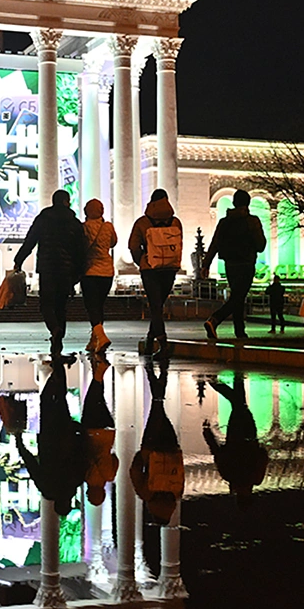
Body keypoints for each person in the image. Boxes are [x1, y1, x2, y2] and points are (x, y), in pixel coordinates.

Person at [14, 189, 87, 355]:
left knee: (46, 304)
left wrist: (19, 260)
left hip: (47, 269)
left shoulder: (43, 219)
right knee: (61, 306)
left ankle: (54, 329)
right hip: (66, 270)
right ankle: (58, 339)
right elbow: (80, 250)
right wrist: (79, 272)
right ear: (66, 202)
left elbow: (30, 240)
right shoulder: (74, 222)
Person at [15, 357, 87, 516]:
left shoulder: (75, 481)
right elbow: (32, 465)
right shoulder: (47, 487)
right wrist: (19, 443)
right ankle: (57, 366)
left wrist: (79, 433)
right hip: (48, 437)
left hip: (66, 435)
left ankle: (58, 367)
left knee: (60, 400)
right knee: (47, 401)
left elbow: (82, 455)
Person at [201, 189, 267, 341]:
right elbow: (260, 245)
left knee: (237, 296)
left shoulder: (224, 222)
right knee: (238, 297)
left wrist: (206, 264)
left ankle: (240, 331)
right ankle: (215, 319)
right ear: (248, 203)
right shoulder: (252, 221)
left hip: (230, 265)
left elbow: (215, 243)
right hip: (246, 263)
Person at [129, 356, 184, 526]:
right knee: (156, 408)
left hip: (171, 448)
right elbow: (136, 471)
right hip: (151, 448)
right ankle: (153, 373)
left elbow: (181, 475)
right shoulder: (147, 495)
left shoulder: (176, 495)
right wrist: (141, 455)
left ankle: (160, 375)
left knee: (159, 410)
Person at [129, 189, 184, 356]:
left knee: (155, 306)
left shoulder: (143, 222)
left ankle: (162, 342)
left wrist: (142, 261)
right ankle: (150, 338)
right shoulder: (175, 222)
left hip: (150, 270)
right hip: (169, 268)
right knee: (158, 306)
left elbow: (133, 246)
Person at [202, 372, 269, 510]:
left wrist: (258, 449)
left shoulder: (255, 479)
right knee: (239, 404)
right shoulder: (230, 477)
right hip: (235, 436)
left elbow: (263, 456)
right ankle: (232, 379)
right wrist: (208, 435)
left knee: (239, 404)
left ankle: (217, 382)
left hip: (248, 436)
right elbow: (218, 453)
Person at [82, 353, 118, 506]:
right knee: (92, 398)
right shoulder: (84, 474)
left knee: (99, 397)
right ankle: (99, 370)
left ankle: (97, 369)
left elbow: (115, 459)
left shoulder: (109, 476)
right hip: (90, 431)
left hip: (107, 432)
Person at [81, 198, 118, 352]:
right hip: (107, 272)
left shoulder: (83, 228)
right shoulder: (108, 226)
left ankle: (101, 337)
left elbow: (81, 246)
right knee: (99, 306)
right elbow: (113, 243)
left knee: (91, 306)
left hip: (89, 271)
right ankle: (94, 341)